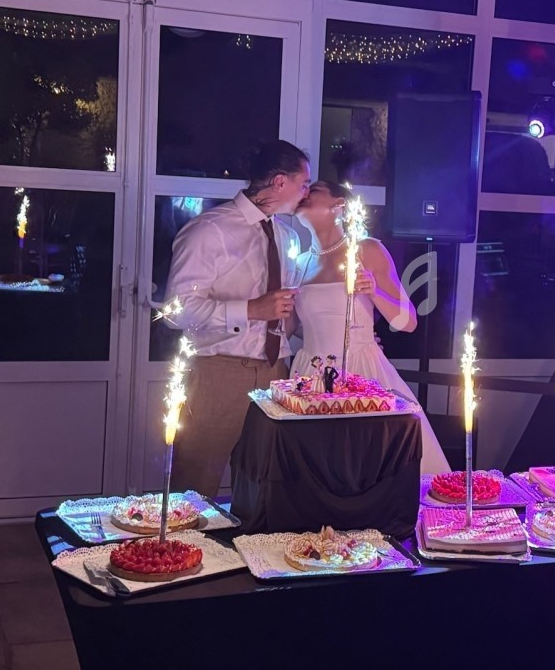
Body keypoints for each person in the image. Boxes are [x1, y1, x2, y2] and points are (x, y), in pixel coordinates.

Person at [164, 140, 311, 496]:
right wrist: (251, 309)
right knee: (196, 486)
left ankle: (250, 552)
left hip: (276, 375)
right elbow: (175, 310)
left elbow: (288, 310)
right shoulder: (209, 231)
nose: (306, 193)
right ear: (279, 182)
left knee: (264, 488)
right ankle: (186, 552)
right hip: (218, 374)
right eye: (303, 183)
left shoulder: (285, 235)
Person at [289, 180, 452, 474]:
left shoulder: (366, 250)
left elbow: (408, 322)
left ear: (339, 205)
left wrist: (374, 290)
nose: (304, 194)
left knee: (363, 467)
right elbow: (304, 328)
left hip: (361, 372)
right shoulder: (299, 263)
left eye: (313, 190)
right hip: (309, 376)